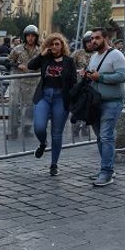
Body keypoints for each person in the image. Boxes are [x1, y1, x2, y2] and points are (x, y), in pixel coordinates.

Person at [28, 33, 77, 176]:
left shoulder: (69, 61)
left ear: (62, 46)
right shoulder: (45, 58)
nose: (55, 47)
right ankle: (43, 143)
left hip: (60, 97)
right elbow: (31, 66)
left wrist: (73, 100)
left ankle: (54, 164)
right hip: (44, 96)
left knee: (56, 134)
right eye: (52, 44)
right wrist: (42, 55)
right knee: (39, 127)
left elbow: (73, 81)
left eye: (57, 44)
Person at [85, 28, 125, 186]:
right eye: (91, 38)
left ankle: (107, 173)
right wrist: (88, 75)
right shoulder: (94, 56)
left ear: (106, 38)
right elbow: (93, 75)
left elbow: (122, 76)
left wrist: (100, 77)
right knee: (100, 137)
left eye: (97, 38)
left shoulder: (116, 55)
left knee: (106, 136)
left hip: (112, 102)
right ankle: (106, 168)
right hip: (96, 103)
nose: (93, 41)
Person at [7, 25, 41, 139]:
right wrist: (17, 65)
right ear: (25, 37)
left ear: (36, 37)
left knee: (30, 106)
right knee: (15, 105)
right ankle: (13, 129)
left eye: (33, 36)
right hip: (18, 81)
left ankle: (27, 128)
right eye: (28, 36)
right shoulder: (17, 49)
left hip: (34, 82)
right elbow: (8, 62)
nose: (30, 38)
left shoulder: (41, 50)